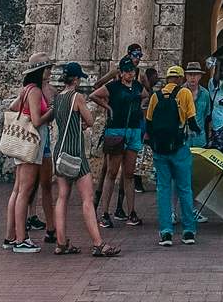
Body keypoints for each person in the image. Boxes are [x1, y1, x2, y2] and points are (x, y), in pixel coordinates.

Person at [50, 62, 120, 259]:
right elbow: (89, 121)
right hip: (75, 152)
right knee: (87, 199)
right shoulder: (76, 97)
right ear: (76, 79)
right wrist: (81, 124)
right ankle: (98, 243)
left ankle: (61, 242)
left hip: (60, 153)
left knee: (62, 197)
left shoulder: (58, 98)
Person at [3, 56, 54, 253]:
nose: (50, 72)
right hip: (31, 145)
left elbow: (13, 107)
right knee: (25, 191)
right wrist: (51, 111)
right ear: (41, 70)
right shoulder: (35, 92)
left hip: (22, 144)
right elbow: (36, 120)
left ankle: (10, 236)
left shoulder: (27, 89)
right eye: (48, 68)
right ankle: (21, 239)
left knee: (18, 191)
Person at [146, 64, 198, 248]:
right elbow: (191, 121)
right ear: (181, 78)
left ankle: (166, 232)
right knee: (184, 188)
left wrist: (154, 144)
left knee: (163, 190)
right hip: (179, 148)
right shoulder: (185, 94)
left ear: (167, 79)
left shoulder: (155, 96)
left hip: (160, 150)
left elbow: (149, 124)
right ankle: (188, 231)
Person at [90, 56, 145, 230]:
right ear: (121, 73)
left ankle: (131, 212)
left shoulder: (137, 87)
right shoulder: (113, 87)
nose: (130, 73)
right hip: (116, 130)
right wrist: (109, 108)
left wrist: (140, 107)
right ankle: (105, 213)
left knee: (129, 173)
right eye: (127, 71)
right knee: (112, 173)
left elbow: (147, 95)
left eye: (132, 71)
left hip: (133, 131)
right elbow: (94, 95)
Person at [184, 61, 210, 148]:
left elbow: (206, 115)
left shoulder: (205, 94)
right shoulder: (180, 92)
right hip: (183, 139)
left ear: (200, 76)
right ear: (186, 76)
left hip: (199, 138)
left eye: (195, 74)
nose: (192, 77)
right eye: (190, 74)